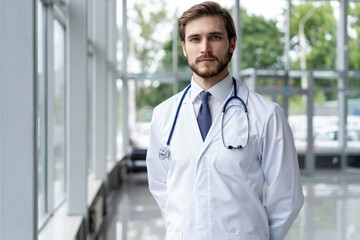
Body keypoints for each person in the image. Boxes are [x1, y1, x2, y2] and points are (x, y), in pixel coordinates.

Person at [146, 1, 304, 240]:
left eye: (215, 37)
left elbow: (287, 196)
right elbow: (160, 184)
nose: (205, 48)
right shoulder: (163, 115)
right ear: (184, 47)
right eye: (195, 39)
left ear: (232, 44)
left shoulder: (266, 114)